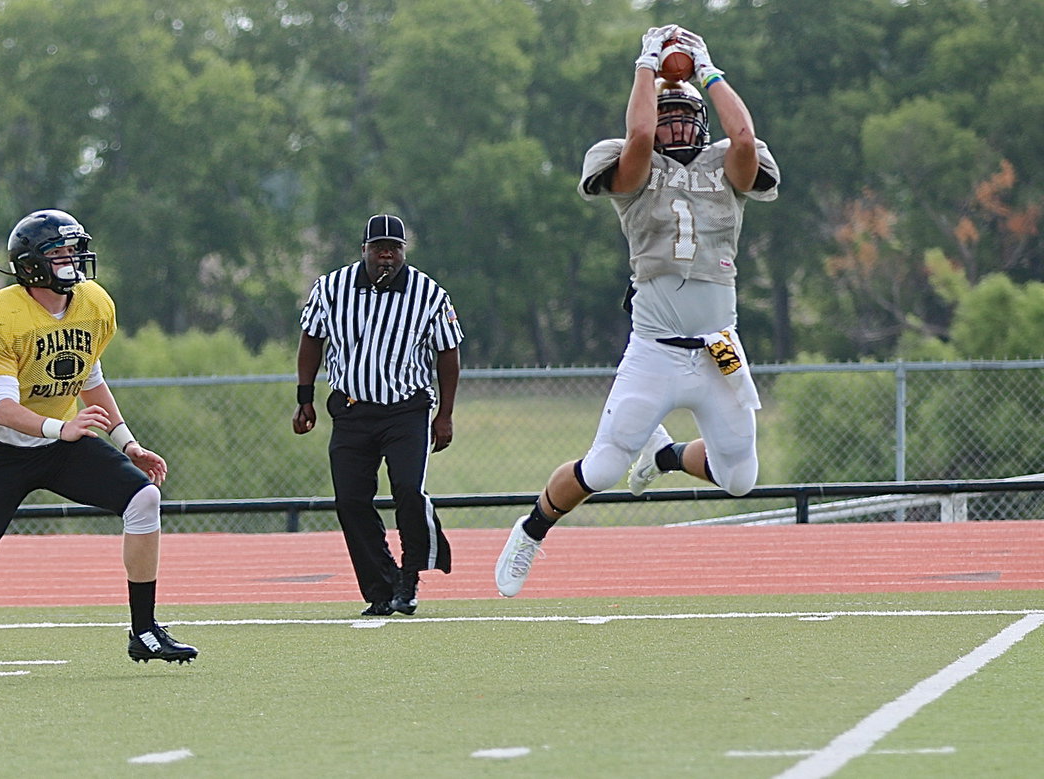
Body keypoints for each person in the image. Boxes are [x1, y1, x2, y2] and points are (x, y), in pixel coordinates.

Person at [495, 25, 780, 597]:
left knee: (741, 479)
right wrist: (646, 65)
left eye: (685, 115)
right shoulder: (630, 163)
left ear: (700, 122)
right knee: (601, 470)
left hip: (719, 349)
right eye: (666, 113)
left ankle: (666, 453)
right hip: (654, 351)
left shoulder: (728, 162)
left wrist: (709, 69)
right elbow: (642, 135)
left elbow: (744, 136)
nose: (674, 124)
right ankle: (530, 531)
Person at [0, 209, 198, 678]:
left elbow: (92, 377)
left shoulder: (94, 303)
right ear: (31, 264)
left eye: (74, 248)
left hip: (63, 444)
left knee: (144, 498)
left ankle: (144, 631)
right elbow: (3, 409)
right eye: (60, 251)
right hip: (3, 452)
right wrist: (57, 428)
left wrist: (129, 444)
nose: (73, 259)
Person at [293, 214, 463, 616]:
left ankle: (410, 575)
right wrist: (304, 397)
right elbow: (311, 339)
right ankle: (380, 587)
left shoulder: (429, 293)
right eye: (378, 248)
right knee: (351, 500)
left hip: (407, 409)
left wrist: (446, 413)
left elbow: (448, 354)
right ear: (363, 249)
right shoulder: (331, 288)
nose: (387, 255)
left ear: (404, 251)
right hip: (352, 409)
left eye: (395, 248)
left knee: (407, 489)